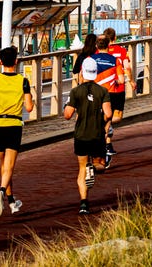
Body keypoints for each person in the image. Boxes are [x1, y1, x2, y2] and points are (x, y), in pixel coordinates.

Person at [0, 46, 34, 216]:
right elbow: (29, 107)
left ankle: (11, 202)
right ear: (16, 61)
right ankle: (2, 191)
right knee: (9, 166)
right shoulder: (22, 81)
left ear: (1, 62)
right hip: (14, 124)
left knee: (4, 165)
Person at [63, 57, 112, 215]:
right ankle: (96, 167)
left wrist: (68, 105)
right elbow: (109, 113)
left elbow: (67, 115)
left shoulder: (76, 91)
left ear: (83, 72)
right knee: (101, 164)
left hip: (81, 135)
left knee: (81, 169)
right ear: (96, 73)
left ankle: (84, 203)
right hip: (97, 134)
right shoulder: (103, 91)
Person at [87, 37, 122, 167]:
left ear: (96, 45)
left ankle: (94, 155)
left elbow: (82, 79)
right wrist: (115, 81)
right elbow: (122, 80)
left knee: (93, 126)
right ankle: (105, 153)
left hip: (94, 96)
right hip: (109, 95)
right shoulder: (115, 60)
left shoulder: (89, 60)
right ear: (108, 45)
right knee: (105, 127)